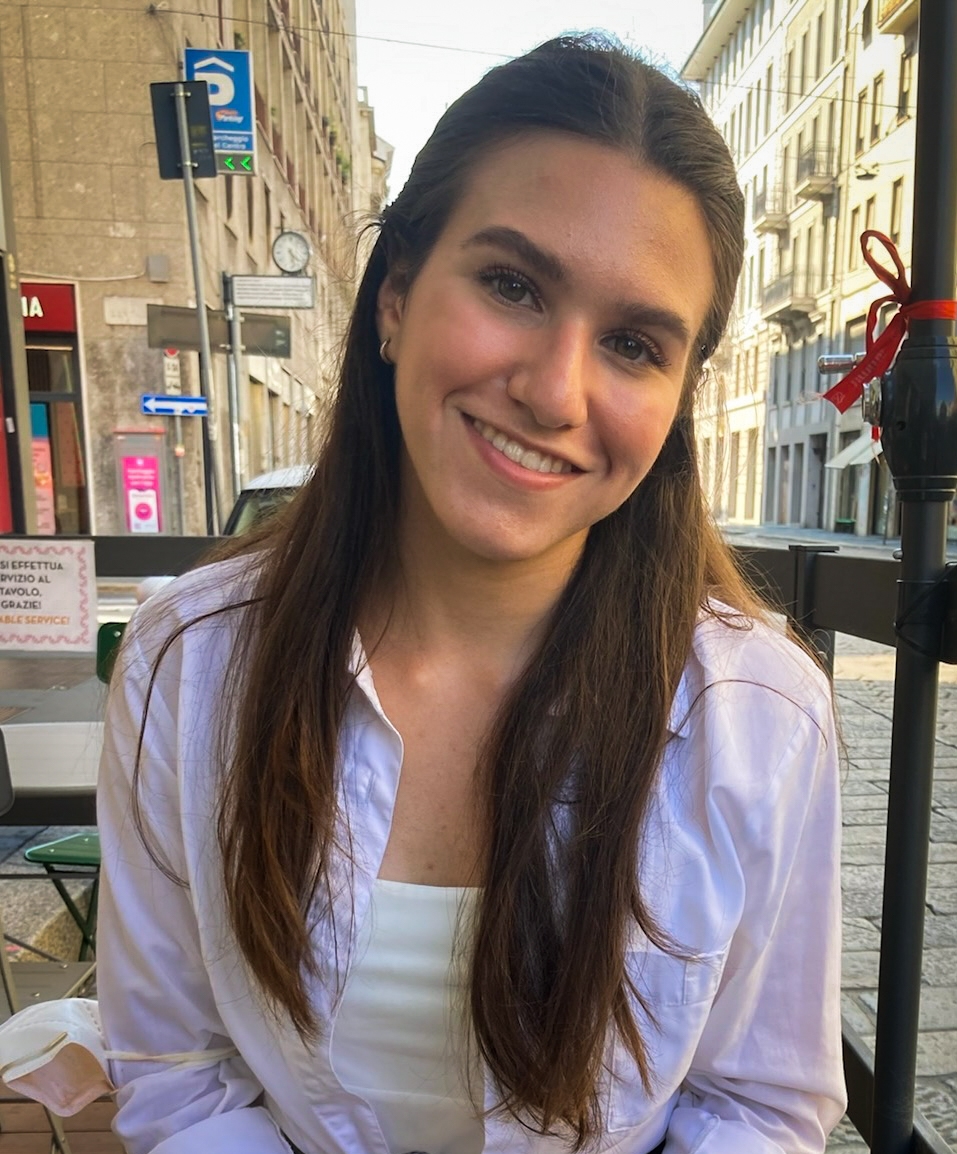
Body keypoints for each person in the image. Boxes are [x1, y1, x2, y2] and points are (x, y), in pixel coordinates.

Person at [95, 33, 845, 1154]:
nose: (554, 391)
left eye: (633, 343)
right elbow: (177, 1075)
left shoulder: (761, 713)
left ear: (681, 394)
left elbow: (758, 1105)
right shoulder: (190, 661)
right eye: (512, 285)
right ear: (395, 295)